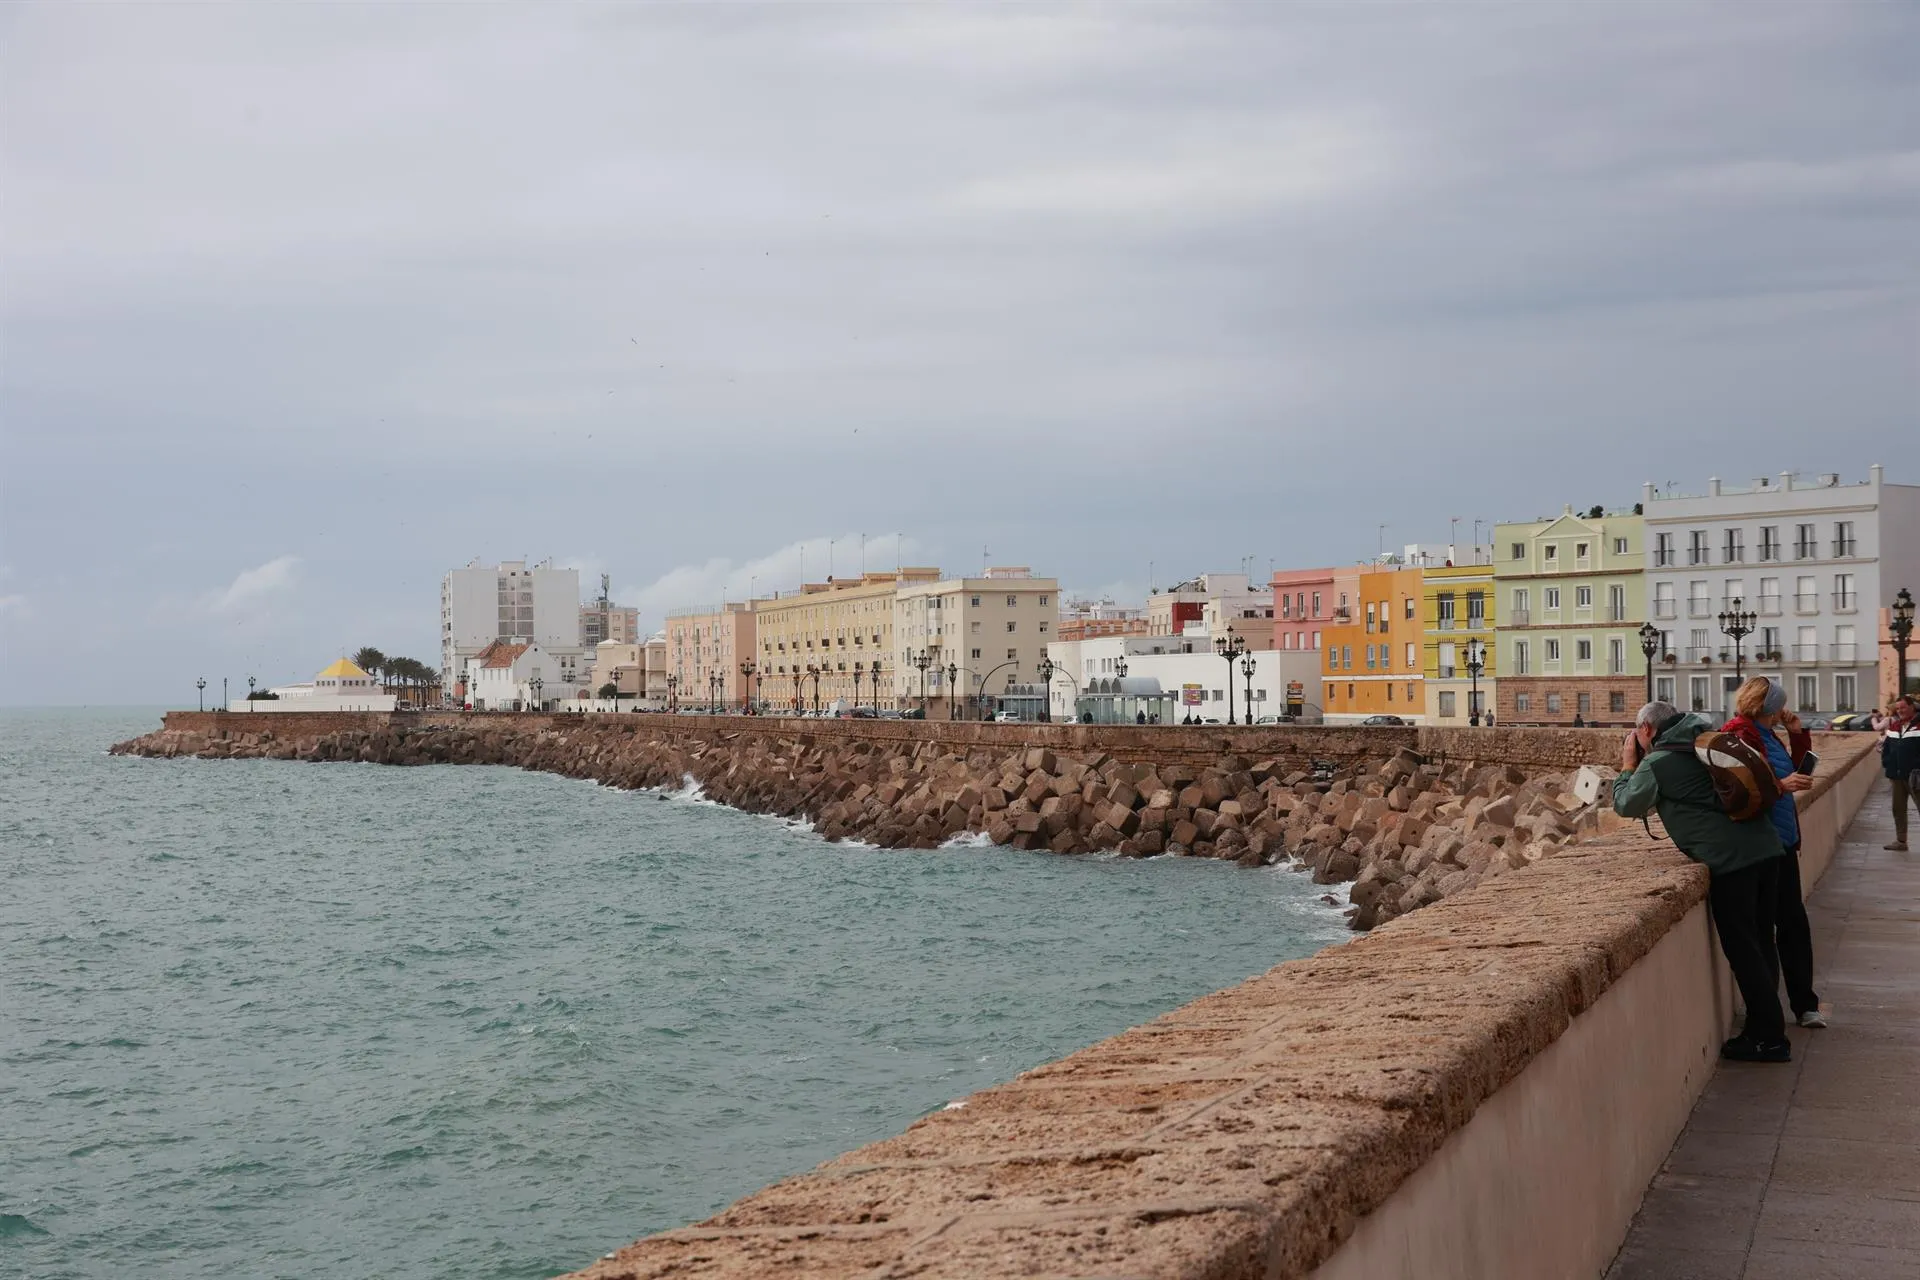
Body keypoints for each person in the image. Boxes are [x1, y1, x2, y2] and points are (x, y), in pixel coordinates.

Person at [1614, 700, 1791, 1062]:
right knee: (1761, 941)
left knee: (1743, 948)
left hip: (1731, 860)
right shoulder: (1707, 741)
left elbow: (1627, 805)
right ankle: (1766, 1023)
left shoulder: (1658, 762)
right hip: (1766, 848)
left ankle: (1769, 1037)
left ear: (1646, 730)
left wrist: (1627, 766)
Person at [1724, 678, 1824, 1028]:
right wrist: (1781, 786)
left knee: (1793, 924)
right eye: (1781, 704)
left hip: (1782, 841)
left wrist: (1796, 733)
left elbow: (1790, 769)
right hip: (1763, 845)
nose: (1785, 709)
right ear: (1769, 705)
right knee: (1767, 927)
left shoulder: (1767, 734)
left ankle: (1804, 1005)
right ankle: (1769, 1014)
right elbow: (1738, 787)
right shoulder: (1740, 733)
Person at [1885, 696, 1919, 852]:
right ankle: (1901, 841)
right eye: (1898, 709)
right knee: (1898, 809)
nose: (1900, 711)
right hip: (1896, 776)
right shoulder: (1894, 726)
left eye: (1903, 708)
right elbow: (1887, 747)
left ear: (1912, 707)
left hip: (1916, 776)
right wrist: (1887, 764)